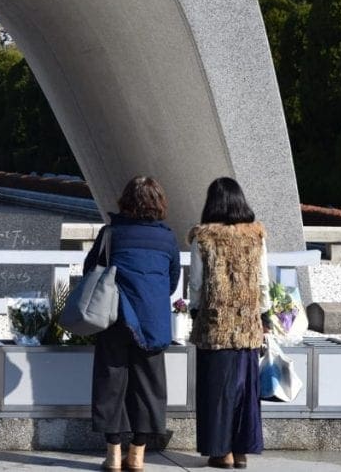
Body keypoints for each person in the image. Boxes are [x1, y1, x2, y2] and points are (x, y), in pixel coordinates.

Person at [84, 175, 181, 471]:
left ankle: (113, 455)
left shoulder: (112, 233)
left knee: (110, 384)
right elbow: (173, 281)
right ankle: (138, 454)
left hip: (114, 318)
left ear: (126, 201)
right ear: (158, 203)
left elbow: (90, 270)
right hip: (151, 322)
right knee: (148, 387)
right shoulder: (167, 238)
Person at [188, 177, 271, 470]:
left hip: (215, 325)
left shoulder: (203, 237)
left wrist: (194, 311)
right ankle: (241, 451)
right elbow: (263, 281)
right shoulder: (255, 235)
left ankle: (220, 452)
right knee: (244, 391)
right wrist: (265, 315)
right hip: (248, 326)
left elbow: (196, 284)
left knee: (216, 390)